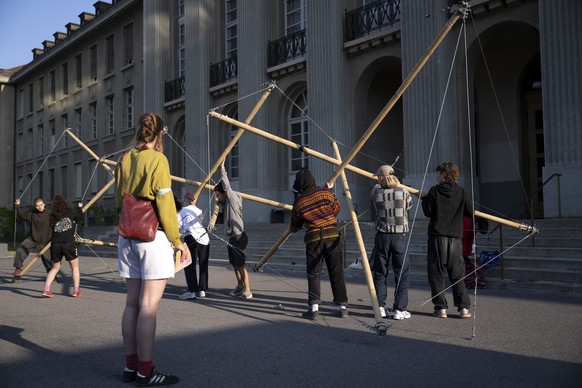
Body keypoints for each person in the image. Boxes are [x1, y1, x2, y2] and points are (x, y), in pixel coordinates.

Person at [115, 112, 190, 386]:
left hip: (127, 236)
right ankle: (146, 371)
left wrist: (125, 225)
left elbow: (118, 200)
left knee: (132, 303)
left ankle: (130, 366)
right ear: (160, 134)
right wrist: (177, 240)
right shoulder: (158, 160)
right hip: (152, 237)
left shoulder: (124, 158)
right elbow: (166, 205)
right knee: (149, 306)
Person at [289, 168, 348, 320]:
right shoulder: (326, 193)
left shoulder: (299, 201)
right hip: (332, 236)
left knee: (314, 273)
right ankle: (342, 307)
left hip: (313, 239)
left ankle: (314, 308)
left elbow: (295, 225)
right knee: (337, 272)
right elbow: (336, 209)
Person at [418, 162, 473, 319]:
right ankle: (464, 308)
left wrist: (424, 198)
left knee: (436, 272)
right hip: (455, 239)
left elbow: (429, 212)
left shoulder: (434, 191)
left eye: (438, 173)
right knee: (457, 274)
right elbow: (469, 212)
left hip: (437, 238)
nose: (436, 176)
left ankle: (441, 308)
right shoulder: (461, 192)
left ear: (444, 175)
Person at [369, 165, 413, 320]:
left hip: (382, 236)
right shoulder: (403, 192)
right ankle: (400, 309)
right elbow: (409, 205)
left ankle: (380, 307)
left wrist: (380, 181)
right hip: (400, 236)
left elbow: (375, 188)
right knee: (401, 273)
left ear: (381, 178)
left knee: (380, 273)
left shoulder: (376, 193)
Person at [207, 160, 252, 299]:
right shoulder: (225, 202)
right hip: (233, 237)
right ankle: (239, 286)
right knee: (234, 264)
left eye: (218, 194)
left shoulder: (232, 198)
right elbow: (217, 209)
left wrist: (222, 168)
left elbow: (226, 184)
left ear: (224, 192)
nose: (217, 197)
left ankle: (248, 290)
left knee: (240, 264)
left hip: (240, 236)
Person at [42, 196, 83, 298]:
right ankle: (76, 291)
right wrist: (80, 208)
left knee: (55, 268)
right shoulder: (70, 211)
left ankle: (47, 289)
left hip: (55, 244)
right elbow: (79, 218)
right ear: (65, 203)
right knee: (75, 267)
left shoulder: (52, 215)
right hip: (68, 243)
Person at [11, 197, 53, 282]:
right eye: (37, 206)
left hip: (45, 241)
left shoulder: (50, 214)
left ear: (44, 204)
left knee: (48, 261)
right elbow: (22, 216)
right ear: (35, 206)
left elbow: (58, 223)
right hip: (32, 239)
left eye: (41, 205)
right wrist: (18, 206)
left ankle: (52, 275)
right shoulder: (32, 213)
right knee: (20, 250)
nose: (40, 207)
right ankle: (18, 269)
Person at [177, 191, 210, 300]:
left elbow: (179, 227)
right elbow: (200, 218)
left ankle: (192, 290)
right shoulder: (198, 210)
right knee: (203, 264)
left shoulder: (182, 210)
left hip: (191, 236)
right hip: (204, 238)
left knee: (189, 265)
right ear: (194, 200)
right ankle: (202, 290)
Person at [462, 215, 487, 289]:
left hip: (466, 246)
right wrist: (466, 253)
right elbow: (464, 239)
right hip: (459, 244)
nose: (476, 231)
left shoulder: (473, 225)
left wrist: (469, 252)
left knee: (475, 265)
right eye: (477, 229)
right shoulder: (466, 223)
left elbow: (470, 239)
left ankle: (471, 282)